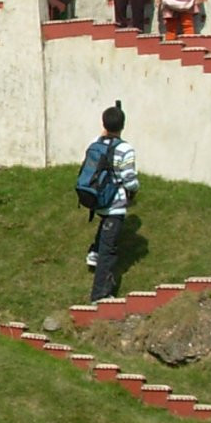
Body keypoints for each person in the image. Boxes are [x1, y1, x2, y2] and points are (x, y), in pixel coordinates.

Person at [85, 102, 139, 302]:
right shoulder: (125, 149)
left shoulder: (95, 143)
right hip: (114, 203)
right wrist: (134, 191)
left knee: (105, 222)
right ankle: (100, 295)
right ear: (123, 125)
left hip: (96, 197)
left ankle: (93, 253)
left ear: (104, 124)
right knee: (110, 249)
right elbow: (130, 180)